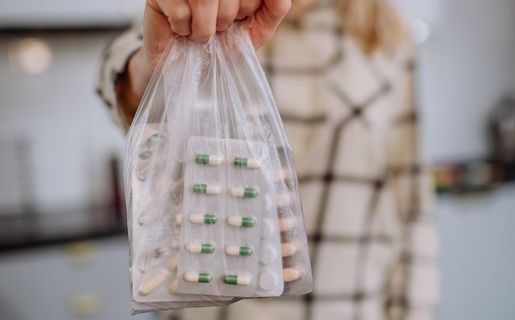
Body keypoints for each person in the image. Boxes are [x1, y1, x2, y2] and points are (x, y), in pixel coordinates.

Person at [97, 0, 440, 319]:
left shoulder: (385, 35)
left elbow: (413, 207)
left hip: (349, 307)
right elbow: (119, 72)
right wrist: (154, 63)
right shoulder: (208, 15)